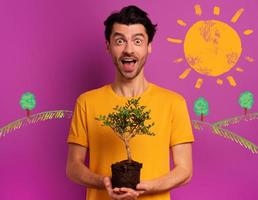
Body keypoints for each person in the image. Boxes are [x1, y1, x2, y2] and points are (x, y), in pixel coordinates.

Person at [66, 5, 194, 200]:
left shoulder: (173, 103)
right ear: (108, 46)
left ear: (148, 46)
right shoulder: (86, 102)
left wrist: (146, 187)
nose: (128, 49)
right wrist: (104, 181)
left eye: (137, 41)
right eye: (119, 41)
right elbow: (73, 166)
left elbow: (185, 169)